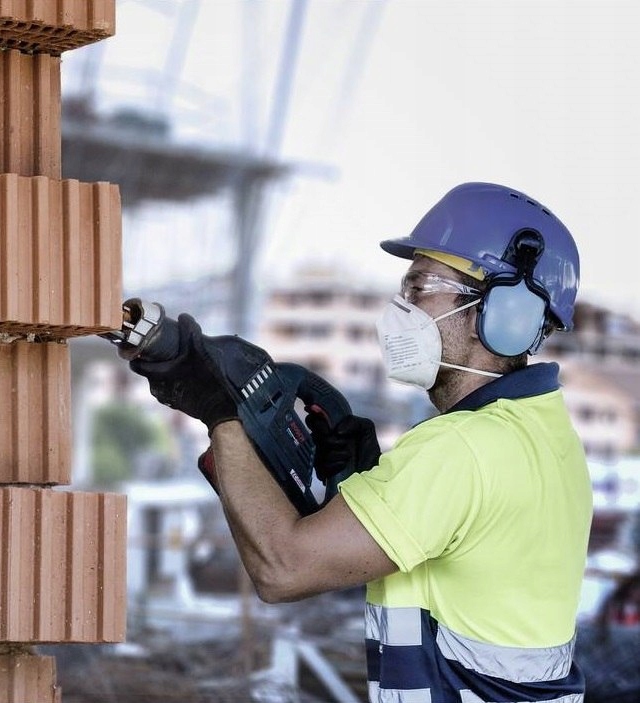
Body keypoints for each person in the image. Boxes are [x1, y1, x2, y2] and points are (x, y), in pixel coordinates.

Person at [129, 182, 592, 702]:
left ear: (508, 312)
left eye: (421, 288)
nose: (401, 308)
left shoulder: (461, 449)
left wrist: (221, 415)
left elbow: (283, 569)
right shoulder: (544, 435)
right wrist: (362, 484)